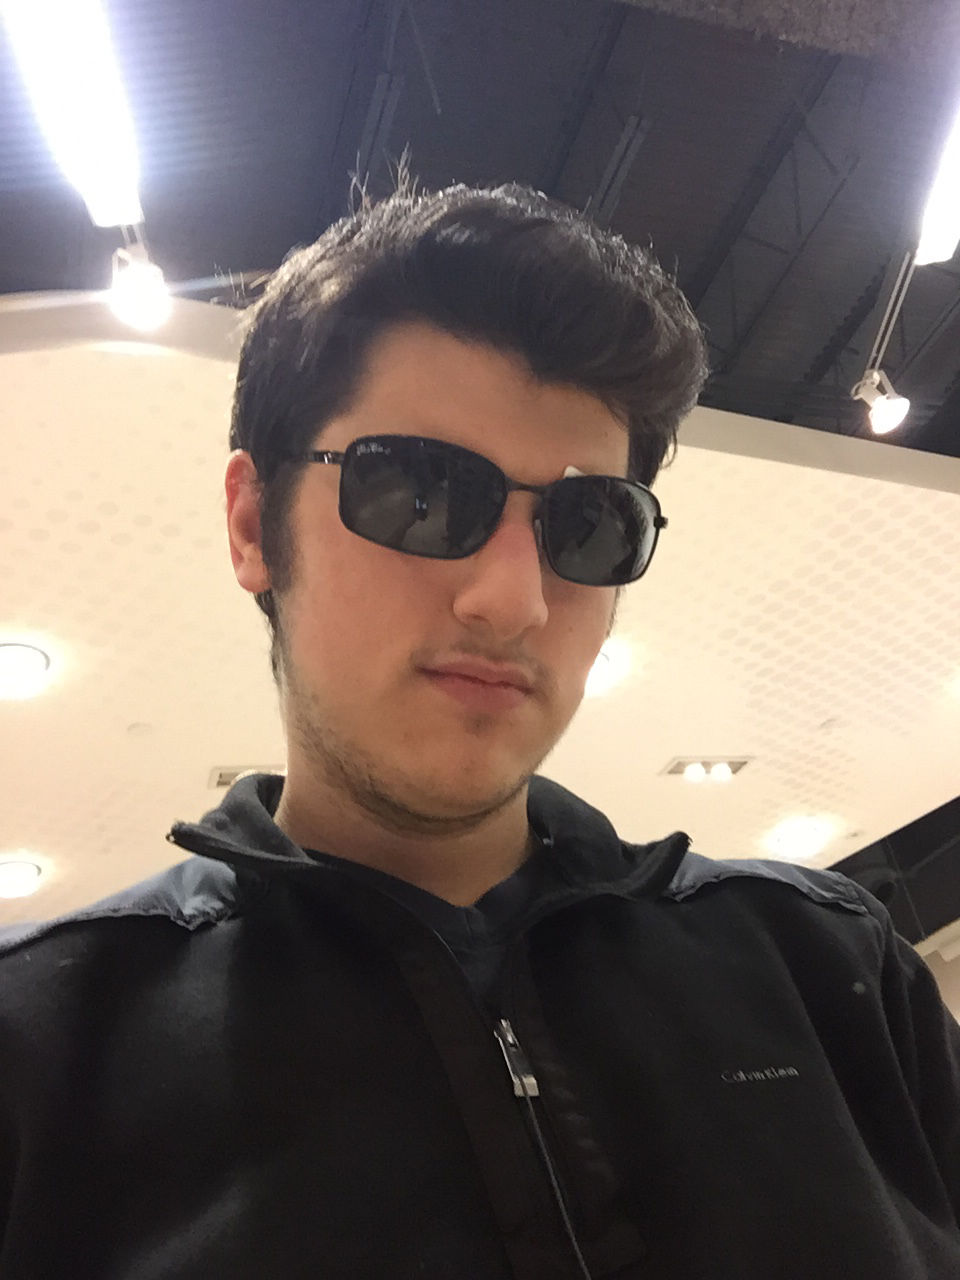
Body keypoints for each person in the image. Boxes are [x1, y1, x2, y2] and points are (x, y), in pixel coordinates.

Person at [1, 181, 959, 1280]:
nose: (514, 600)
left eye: (589, 523)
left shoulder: (828, 967)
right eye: (420, 491)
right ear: (255, 523)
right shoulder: (41, 1051)